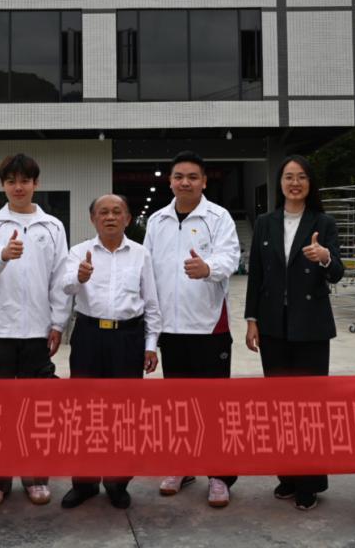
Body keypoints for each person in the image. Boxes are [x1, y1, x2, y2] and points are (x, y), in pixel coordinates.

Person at [0, 152, 71, 508]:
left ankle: (35, 475)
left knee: (36, 407)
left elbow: (60, 279)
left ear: (35, 184)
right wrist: (2, 255)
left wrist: (57, 323)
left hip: (37, 330)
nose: (18, 187)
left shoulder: (52, 226)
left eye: (25, 181)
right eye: (11, 181)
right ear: (3, 185)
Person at [243, 154, 345, 510]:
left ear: (310, 183)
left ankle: (310, 482)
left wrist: (325, 256)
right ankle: (287, 475)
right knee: (279, 406)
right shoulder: (266, 223)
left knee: (310, 407)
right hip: (273, 326)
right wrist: (252, 319)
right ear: (280, 183)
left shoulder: (323, 222)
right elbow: (256, 275)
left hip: (311, 327)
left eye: (301, 176)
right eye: (288, 176)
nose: (295, 183)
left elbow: (338, 272)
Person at [143, 150, 240, 507]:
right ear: (170, 181)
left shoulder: (219, 217)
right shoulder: (157, 221)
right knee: (177, 405)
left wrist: (208, 268)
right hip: (171, 328)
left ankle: (219, 476)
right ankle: (181, 466)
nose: (185, 182)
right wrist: (151, 334)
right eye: (179, 176)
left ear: (204, 181)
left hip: (208, 326)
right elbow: (148, 273)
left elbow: (231, 257)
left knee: (214, 406)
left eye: (192, 177)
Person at [59, 194, 162, 510]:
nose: (110, 217)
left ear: (128, 218)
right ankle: (84, 483)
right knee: (84, 412)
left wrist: (150, 345)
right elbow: (65, 287)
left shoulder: (141, 254)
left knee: (124, 414)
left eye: (117, 211)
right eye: (103, 212)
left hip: (128, 338)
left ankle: (118, 482)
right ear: (93, 219)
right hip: (89, 336)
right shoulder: (79, 252)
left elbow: (152, 303)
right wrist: (79, 277)